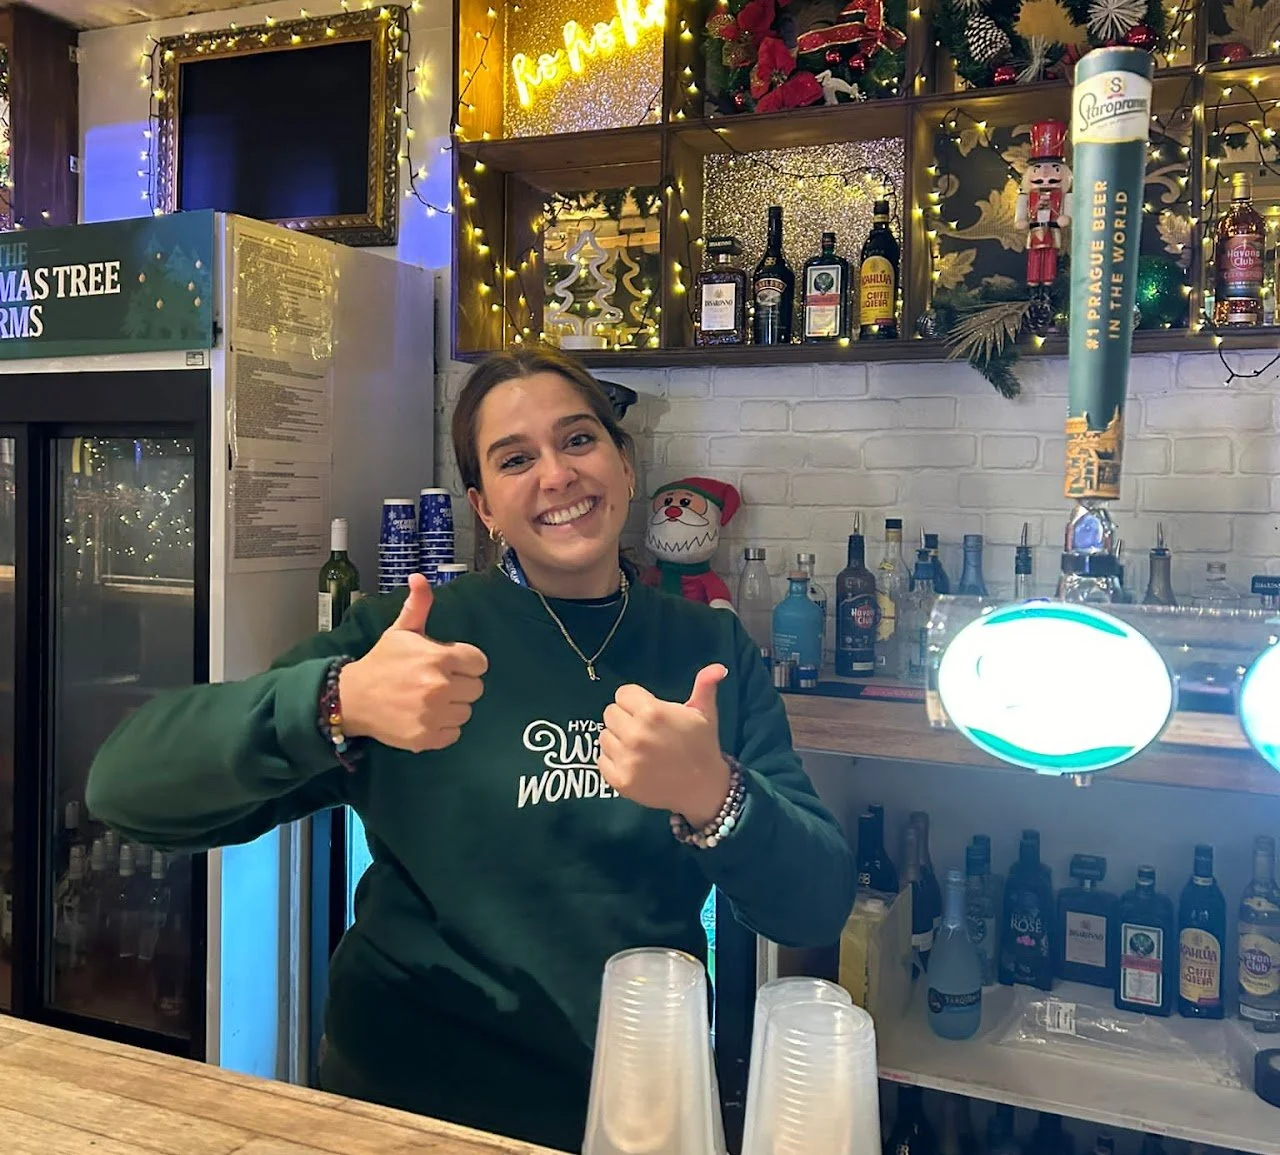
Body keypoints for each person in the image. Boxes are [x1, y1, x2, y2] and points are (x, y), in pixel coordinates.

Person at [86, 345, 856, 1151]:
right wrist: (336, 703)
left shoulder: (711, 647)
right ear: (484, 507)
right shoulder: (408, 643)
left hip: (635, 1108)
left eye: (579, 441)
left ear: (625, 467)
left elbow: (813, 902)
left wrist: (716, 793)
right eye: (516, 458)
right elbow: (125, 786)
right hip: (402, 1106)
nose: (555, 475)